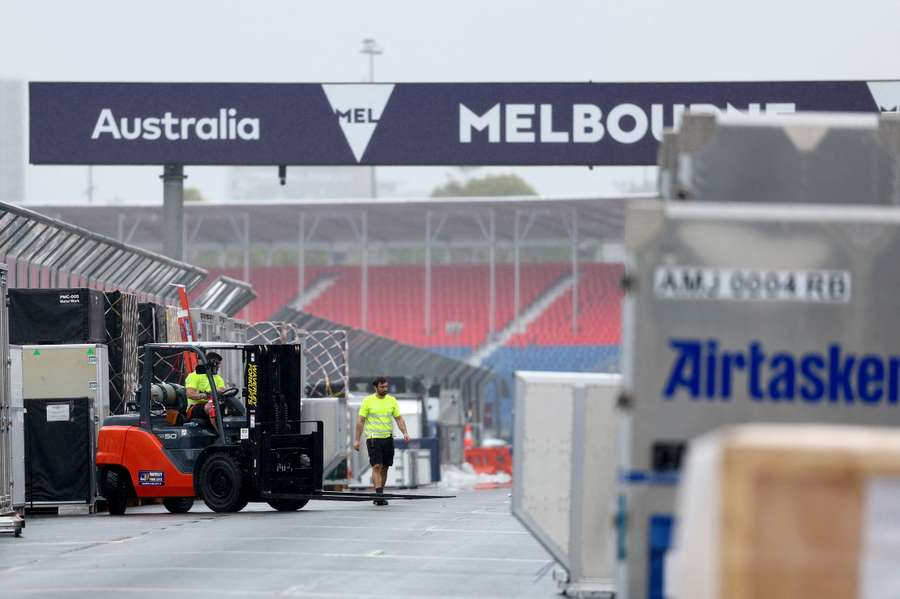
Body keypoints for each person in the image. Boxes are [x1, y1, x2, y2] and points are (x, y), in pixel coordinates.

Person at [354, 377, 410, 506]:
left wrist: (405, 432)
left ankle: (380, 493)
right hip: (373, 438)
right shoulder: (368, 401)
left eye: (386, 387)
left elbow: (399, 419)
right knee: (376, 466)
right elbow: (360, 421)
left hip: (388, 438)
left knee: (385, 467)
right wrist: (357, 440)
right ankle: (378, 495)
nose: (385, 389)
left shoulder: (392, 401)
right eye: (382, 387)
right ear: (376, 387)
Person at [185, 351, 226, 432]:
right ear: (212, 364)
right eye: (217, 365)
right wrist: (207, 395)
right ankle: (220, 434)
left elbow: (222, 390)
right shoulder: (195, 376)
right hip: (195, 407)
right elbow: (190, 394)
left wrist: (220, 392)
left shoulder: (218, 378)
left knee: (230, 407)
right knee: (211, 407)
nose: (218, 367)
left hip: (214, 403)